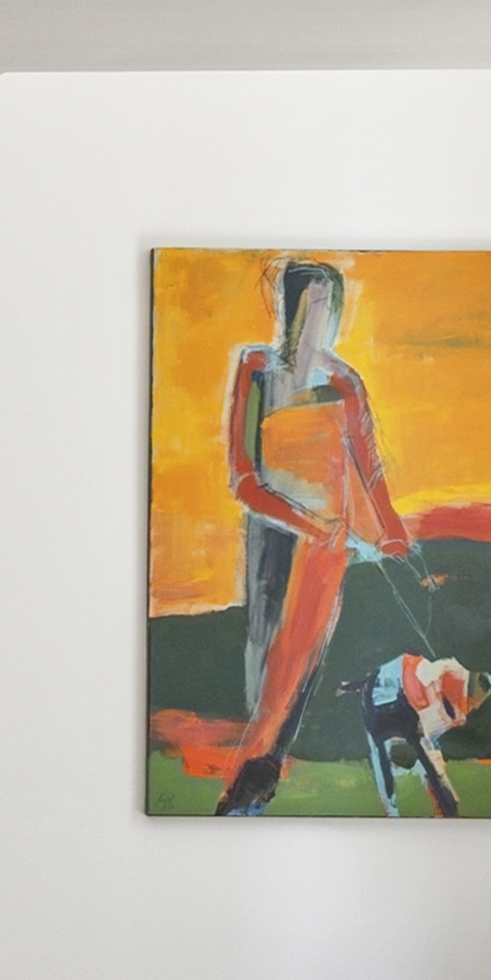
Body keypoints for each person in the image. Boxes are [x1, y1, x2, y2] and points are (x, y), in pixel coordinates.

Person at [163, 256, 421, 812]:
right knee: (265, 663)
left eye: (331, 305)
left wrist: (392, 532)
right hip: (272, 537)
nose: (322, 316)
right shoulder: (255, 369)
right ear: (290, 305)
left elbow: (370, 468)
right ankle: (249, 788)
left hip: (327, 549)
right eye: (314, 303)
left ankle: (252, 790)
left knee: (299, 670)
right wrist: (306, 521)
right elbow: (243, 477)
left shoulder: (344, 382)